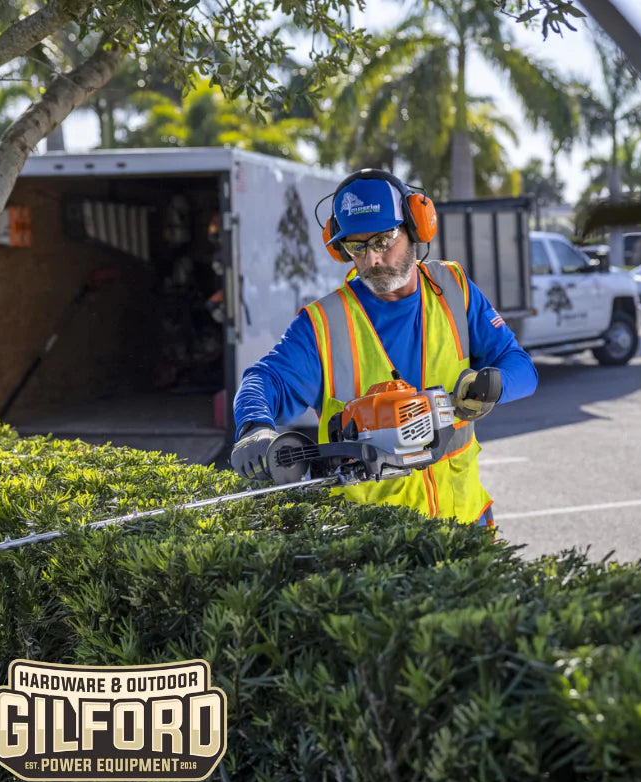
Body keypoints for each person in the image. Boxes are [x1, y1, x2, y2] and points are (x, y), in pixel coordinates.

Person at [230, 168, 538, 526]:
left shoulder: (455, 289)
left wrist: (491, 386)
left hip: (465, 521)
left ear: (416, 227)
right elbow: (262, 380)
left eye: (382, 241)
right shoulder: (323, 325)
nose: (371, 260)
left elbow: (522, 369)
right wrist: (254, 427)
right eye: (356, 247)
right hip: (375, 548)